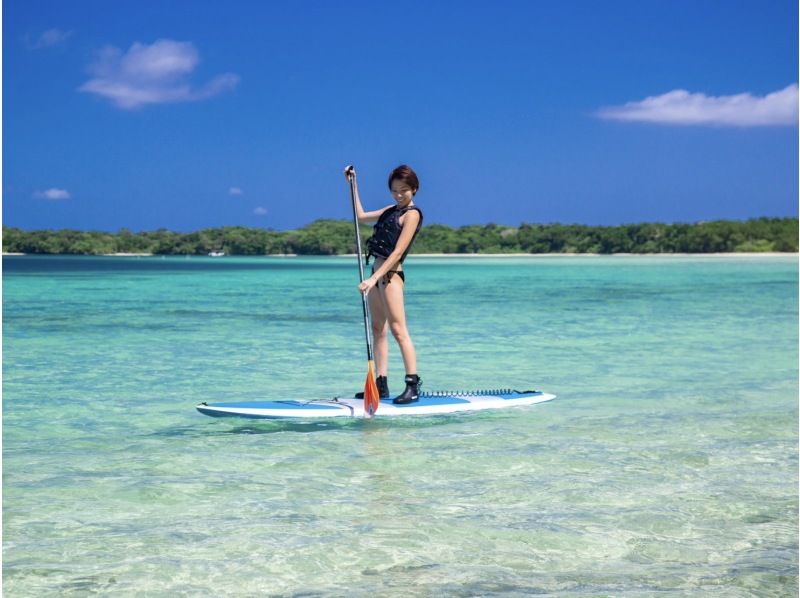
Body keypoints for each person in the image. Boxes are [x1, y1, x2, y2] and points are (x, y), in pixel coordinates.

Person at [344, 164, 424, 404]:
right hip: (375, 277)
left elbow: (397, 253)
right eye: (395, 190)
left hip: (390, 277)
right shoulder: (390, 210)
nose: (399, 195)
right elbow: (360, 217)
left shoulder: (412, 215)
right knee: (378, 329)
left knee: (399, 330)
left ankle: (412, 384)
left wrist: (373, 279)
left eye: (404, 190)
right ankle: (381, 384)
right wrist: (353, 185)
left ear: (414, 190)